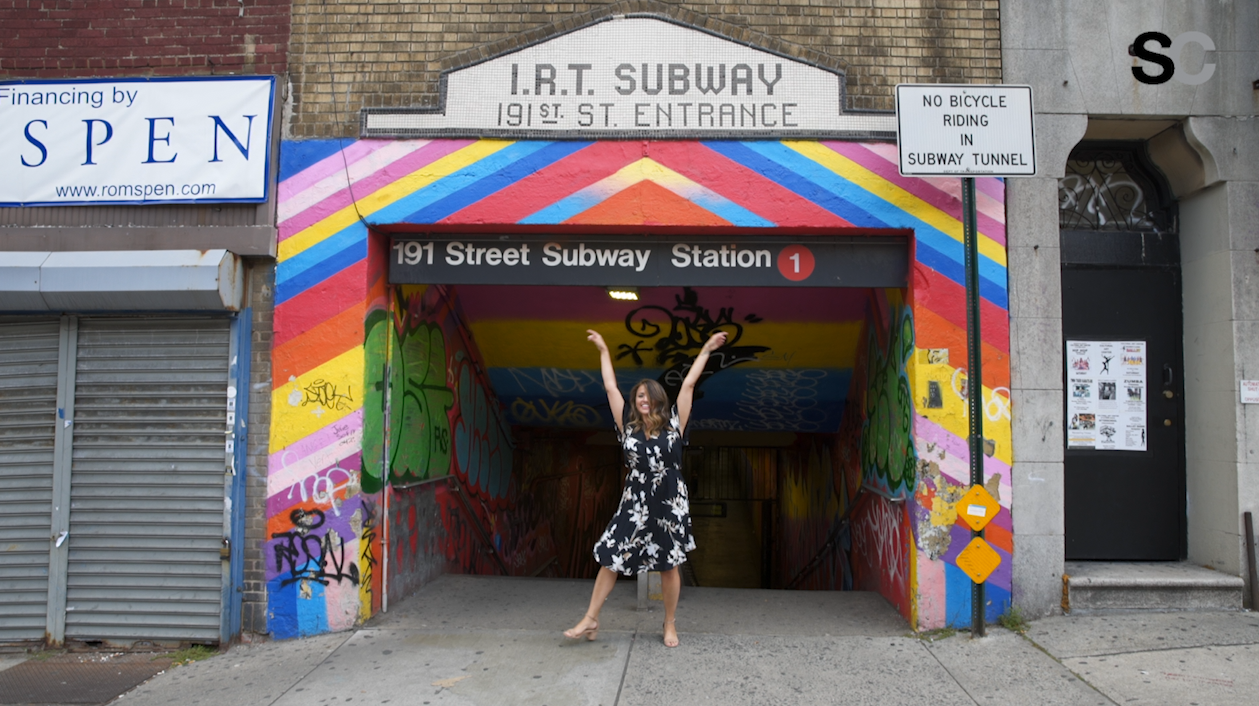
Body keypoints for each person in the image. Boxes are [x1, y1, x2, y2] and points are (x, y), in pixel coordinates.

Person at [564, 328, 727, 648]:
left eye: (648, 396)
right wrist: (603, 350)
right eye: (638, 395)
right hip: (635, 502)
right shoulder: (626, 427)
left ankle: (669, 624)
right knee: (611, 556)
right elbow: (610, 387)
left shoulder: (675, 424)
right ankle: (591, 617)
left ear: (659, 401)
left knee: (668, 566)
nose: (642, 400)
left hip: (668, 503)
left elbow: (690, 383)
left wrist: (706, 348)